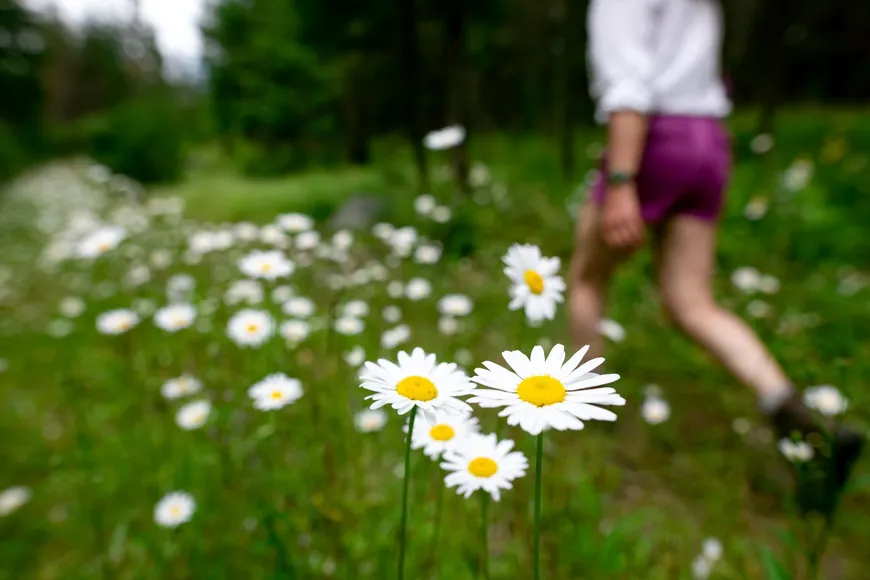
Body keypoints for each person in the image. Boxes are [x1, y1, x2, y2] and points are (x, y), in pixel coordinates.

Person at [572, 0, 863, 512]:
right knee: (692, 302)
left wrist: (620, 181)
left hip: (653, 139)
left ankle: (580, 412)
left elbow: (628, 89)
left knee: (585, 280)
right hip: (708, 139)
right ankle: (796, 415)